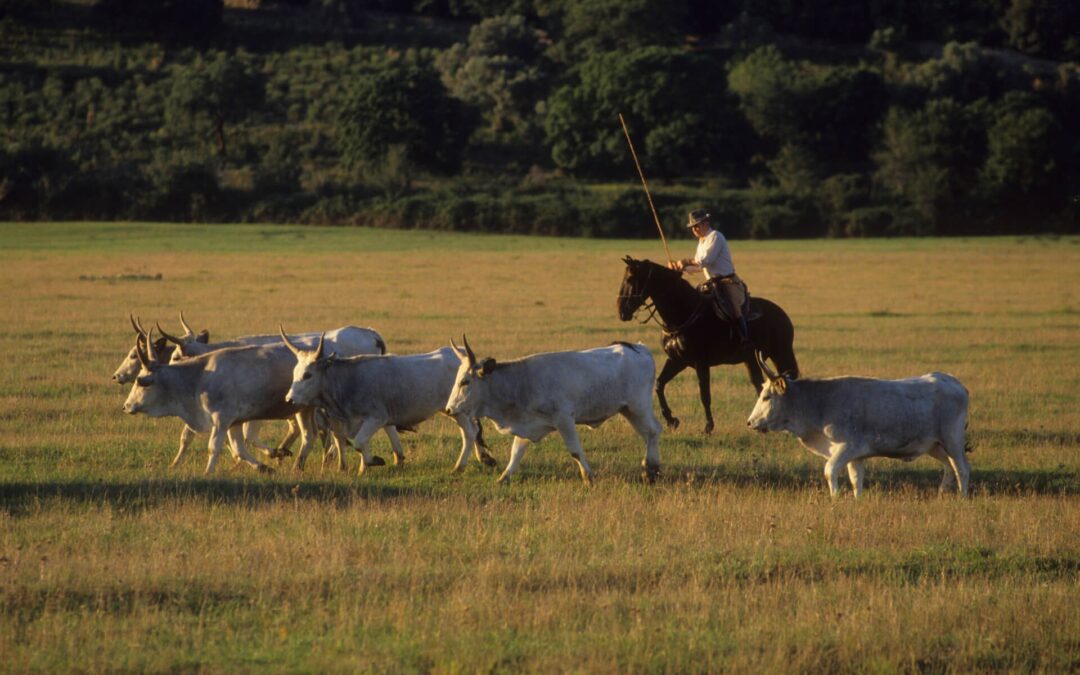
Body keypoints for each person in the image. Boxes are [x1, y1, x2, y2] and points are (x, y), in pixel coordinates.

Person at [668, 209, 751, 343]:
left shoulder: (715, 237)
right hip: (711, 284)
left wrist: (684, 262)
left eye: (696, 225)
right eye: (692, 227)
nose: (694, 229)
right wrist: (679, 268)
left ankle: (744, 339)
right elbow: (700, 267)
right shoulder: (701, 241)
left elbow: (705, 260)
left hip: (727, 282)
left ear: (706, 223)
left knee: (732, 309)